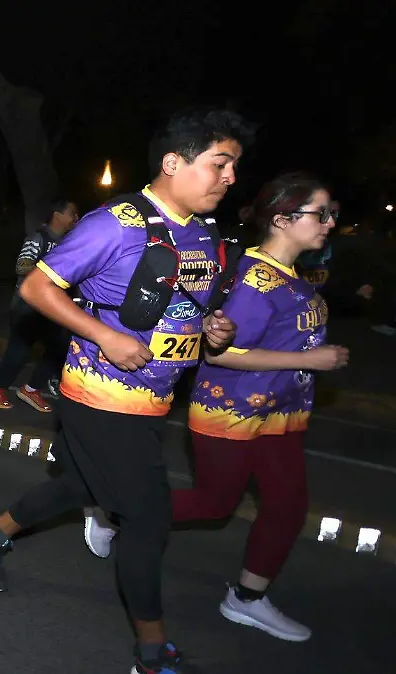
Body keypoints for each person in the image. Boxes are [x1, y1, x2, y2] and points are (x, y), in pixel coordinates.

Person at [0, 108, 251, 674]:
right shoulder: (114, 224)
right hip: (102, 394)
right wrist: (105, 336)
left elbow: (189, 306)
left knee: (80, 486)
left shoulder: (206, 236)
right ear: (173, 163)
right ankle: (152, 653)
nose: (230, 177)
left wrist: (215, 328)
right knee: (147, 518)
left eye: (235, 166)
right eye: (220, 164)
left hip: (155, 398)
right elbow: (37, 286)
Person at [88, 174, 347, 642]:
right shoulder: (256, 277)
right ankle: (116, 511)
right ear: (283, 219)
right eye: (320, 213)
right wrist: (308, 359)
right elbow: (219, 353)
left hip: (282, 413)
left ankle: (246, 599)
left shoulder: (294, 276)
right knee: (214, 503)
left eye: (333, 214)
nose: (329, 223)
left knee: (288, 506)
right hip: (231, 414)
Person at [0, 198, 78, 412]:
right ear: (57, 215)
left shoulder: (66, 242)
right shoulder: (39, 238)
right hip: (28, 305)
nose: (75, 218)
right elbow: (21, 265)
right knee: (21, 350)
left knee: (60, 347)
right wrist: (50, 273)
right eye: (72, 213)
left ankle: (30, 389)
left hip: (50, 307)